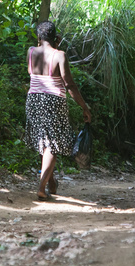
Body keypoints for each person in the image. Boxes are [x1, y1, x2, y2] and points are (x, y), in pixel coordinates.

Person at [25, 21, 92, 201]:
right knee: (52, 144)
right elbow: (69, 84)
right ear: (57, 38)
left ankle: (50, 181)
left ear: (39, 38)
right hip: (53, 100)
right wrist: (84, 107)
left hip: (33, 99)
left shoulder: (31, 52)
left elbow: (32, 74)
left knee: (43, 139)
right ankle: (41, 187)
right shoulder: (59, 55)